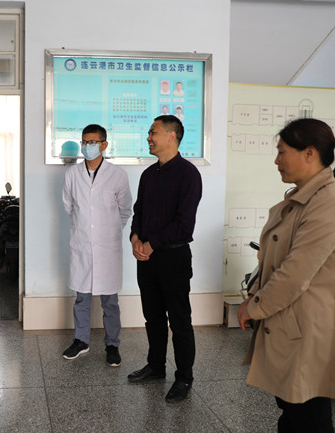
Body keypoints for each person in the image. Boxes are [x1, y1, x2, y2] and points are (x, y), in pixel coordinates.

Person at [238, 118, 335, 432]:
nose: (276, 160)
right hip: (292, 326)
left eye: (282, 152)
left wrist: (253, 307)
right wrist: (255, 294)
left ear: (309, 153)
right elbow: (277, 258)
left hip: (310, 331)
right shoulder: (302, 198)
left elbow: (294, 274)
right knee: (294, 414)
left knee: (309, 417)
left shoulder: (328, 204)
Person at [127, 115, 202, 403]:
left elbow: (184, 224)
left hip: (173, 257)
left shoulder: (188, 174)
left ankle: (184, 377)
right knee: (153, 317)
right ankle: (156, 366)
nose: (148, 137)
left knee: (179, 320)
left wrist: (150, 244)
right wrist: (135, 238)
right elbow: (138, 213)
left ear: (172, 136)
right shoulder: (148, 175)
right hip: (146, 258)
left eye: (153, 132)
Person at [61, 124, 133, 366]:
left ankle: (112, 345)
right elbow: (69, 206)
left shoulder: (117, 175)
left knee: (110, 301)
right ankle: (81, 341)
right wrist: (88, 229)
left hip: (107, 247)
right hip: (82, 244)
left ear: (104, 145)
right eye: (85, 142)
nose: (88, 146)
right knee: (82, 298)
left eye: (93, 142)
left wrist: (109, 231)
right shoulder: (72, 174)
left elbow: (125, 209)